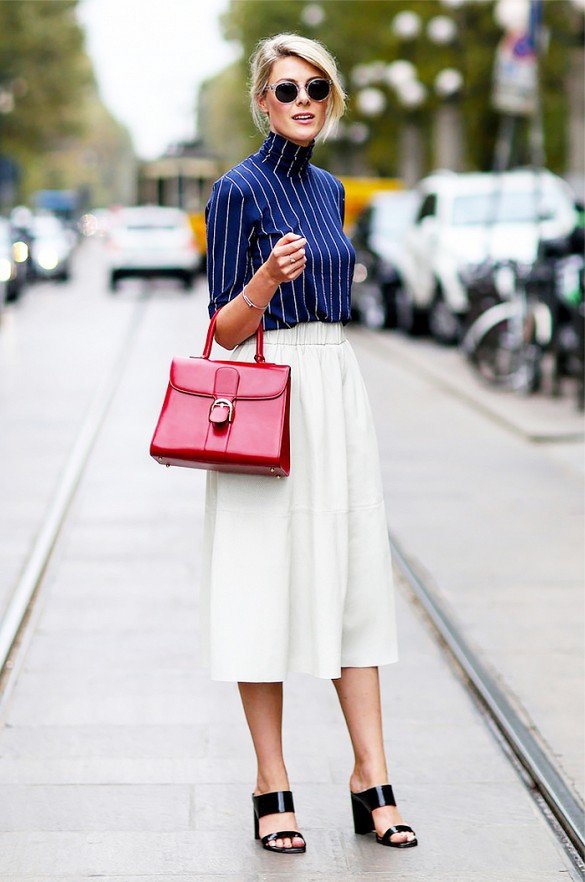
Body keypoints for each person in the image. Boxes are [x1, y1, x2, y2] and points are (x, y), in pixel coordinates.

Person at [200, 32, 417, 855]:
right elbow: (223, 329)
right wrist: (264, 281)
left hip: (335, 386)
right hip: (269, 394)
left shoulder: (329, 191)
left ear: (330, 101)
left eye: (316, 89)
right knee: (264, 583)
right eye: (286, 89)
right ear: (262, 100)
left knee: (354, 579)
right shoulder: (236, 190)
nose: (301, 102)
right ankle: (271, 781)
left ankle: (372, 777)